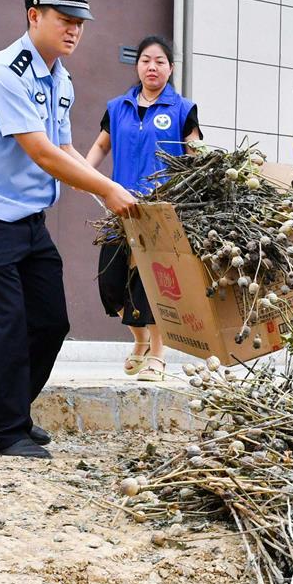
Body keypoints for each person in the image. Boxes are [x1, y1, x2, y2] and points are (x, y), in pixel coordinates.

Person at [0, 0, 138, 459]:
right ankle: (8, 431)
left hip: (29, 221)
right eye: (65, 19)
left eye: (81, 21)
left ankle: (2, 407)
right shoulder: (6, 72)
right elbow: (42, 155)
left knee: (51, 322)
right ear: (34, 16)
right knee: (8, 323)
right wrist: (108, 189)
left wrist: (108, 193)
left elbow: (65, 147)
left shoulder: (60, 78)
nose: (75, 29)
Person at [85, 35, 202, 380]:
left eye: (160, 61)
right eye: (146, 60)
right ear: (137, 66)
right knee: (111, 283)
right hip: (119, 205)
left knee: (155, 284)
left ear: (170, 68)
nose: (152, 67)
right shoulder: (117, 107)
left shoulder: (182, 109)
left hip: (161, 211)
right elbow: (100, 147)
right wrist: (84, 175)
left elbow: (196, 156)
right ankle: (139, 339)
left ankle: (158, 354)